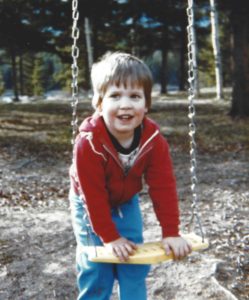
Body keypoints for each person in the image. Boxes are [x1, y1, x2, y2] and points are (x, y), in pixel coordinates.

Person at [69, 52, 192, 300]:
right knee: (97, 268)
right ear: (100, 103)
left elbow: (163, 186)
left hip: (126, 202)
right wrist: (110, 237)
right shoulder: (89, 143)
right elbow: (92, 195)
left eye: (135, 96)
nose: (125, 104)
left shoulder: (153, 140)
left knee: (134, 263)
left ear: (146, 105)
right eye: (115, 95)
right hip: (88, 205)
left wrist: (171, 231)